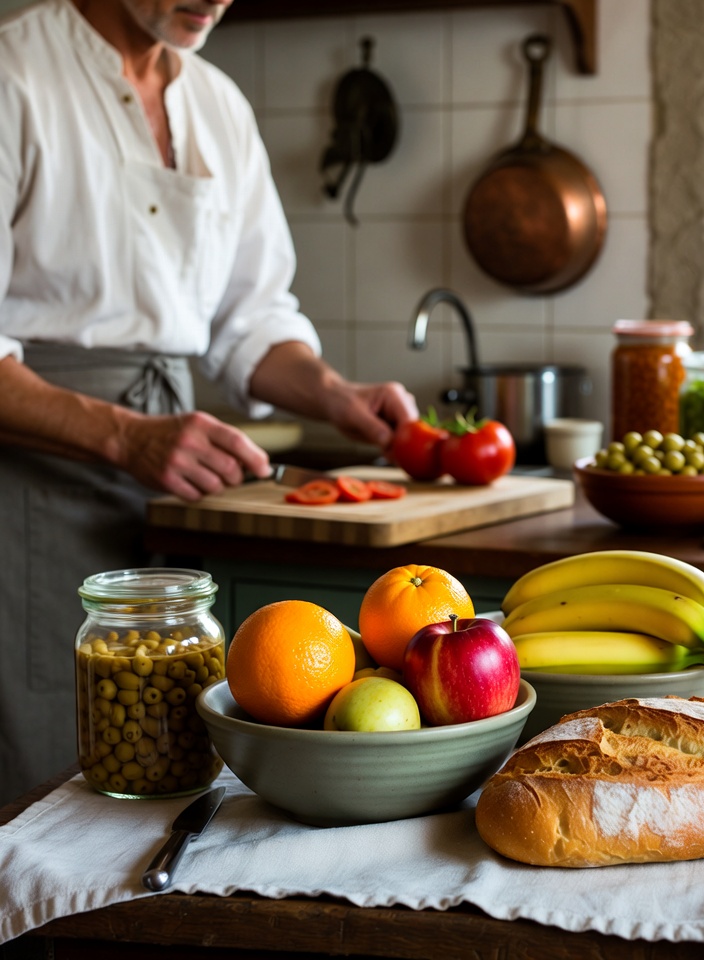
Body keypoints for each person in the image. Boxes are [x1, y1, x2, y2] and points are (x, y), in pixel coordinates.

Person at [0, 0, 419, 805]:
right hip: (29, 483)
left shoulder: (219, 104)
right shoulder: (15, 75)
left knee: (156, 760)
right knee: (44, 776)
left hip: (167, 484)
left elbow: (249, 318)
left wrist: (336, 395)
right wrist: (125, 435)